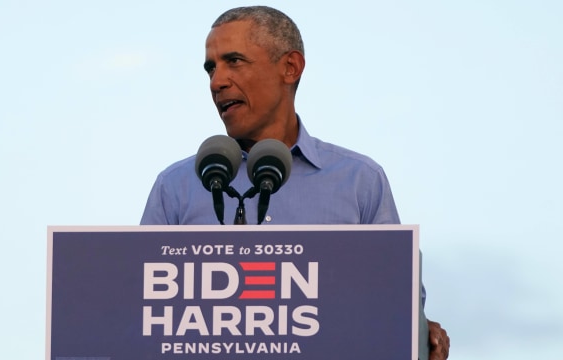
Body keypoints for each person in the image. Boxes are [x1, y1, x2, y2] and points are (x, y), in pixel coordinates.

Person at [140, 5, 450, 360]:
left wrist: (421, 334)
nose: (216, 81)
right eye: (211, 68)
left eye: (234, 61)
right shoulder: (176, 186)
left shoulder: (358, 181)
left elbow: (395, 307)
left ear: (290, 67)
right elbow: (141, 315)